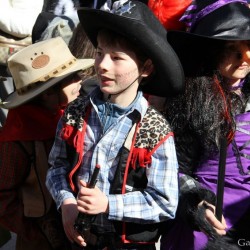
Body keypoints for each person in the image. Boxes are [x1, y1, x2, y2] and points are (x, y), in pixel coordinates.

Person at [45, 0, 184, 249]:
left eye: (117, 57)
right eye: (99, 53)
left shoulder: (156, 131)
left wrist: (108, 203)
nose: (103, 65)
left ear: (147, 67)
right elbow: (57, 165)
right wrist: (65, 201)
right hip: (77, 239)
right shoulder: (76, 112)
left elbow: (165, 202)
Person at [161, 0, 250, 249]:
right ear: (210, 52)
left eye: (249, 44)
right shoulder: (192, 100)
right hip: (213, 224)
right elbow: (173, 167)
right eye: (231, 47)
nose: (244, 57)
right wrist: (197, 204)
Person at [0, 36, 94, 250]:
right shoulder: (17, 140)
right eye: (72, 77)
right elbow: (2, 198)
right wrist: (34, 233)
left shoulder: (71, 115)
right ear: (47, 92)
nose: (80, 80)